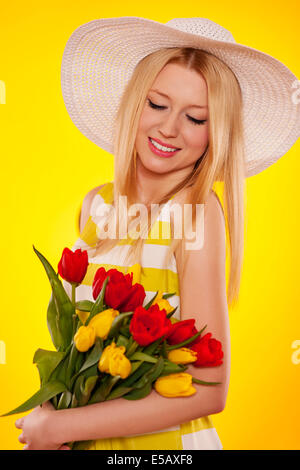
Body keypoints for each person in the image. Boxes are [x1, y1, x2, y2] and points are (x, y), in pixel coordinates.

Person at [14, 17, 300, 450]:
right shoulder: (97, 205)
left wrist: (61, 428)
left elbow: (208, 387)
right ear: (134, 103)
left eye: (196, 118)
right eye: (158, 104)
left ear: (215, 133)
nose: (169, 128)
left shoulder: (196, 212)